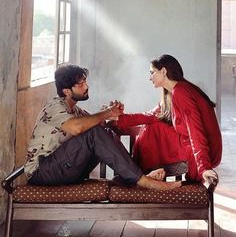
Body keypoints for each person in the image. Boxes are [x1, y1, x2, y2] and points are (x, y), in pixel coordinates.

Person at [24, 63, 181, 190]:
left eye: (85, 81)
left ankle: (136, 177)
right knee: (93, 134)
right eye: (80, 84)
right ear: (67, 91)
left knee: (104, 131)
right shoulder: (55, 106)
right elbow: (77, 128)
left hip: (62, 170)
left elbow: (99, 124)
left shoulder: (75, 109)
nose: (86, 86)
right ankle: (143, 181)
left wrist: (114, 113)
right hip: (42, 172)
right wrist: (106, 113)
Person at [115, 54, 222, 183]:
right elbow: (151, 115)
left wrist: (203, 167)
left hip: (206, 150)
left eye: (152, 72)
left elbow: (195, 131)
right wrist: (118, 118)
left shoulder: (181, 92)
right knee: (152, 125)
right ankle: (142, 175)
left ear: (164, 71)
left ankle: (141, 176)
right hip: (189, 142)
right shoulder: (173, 92)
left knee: (152, 129)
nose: (150, 78)